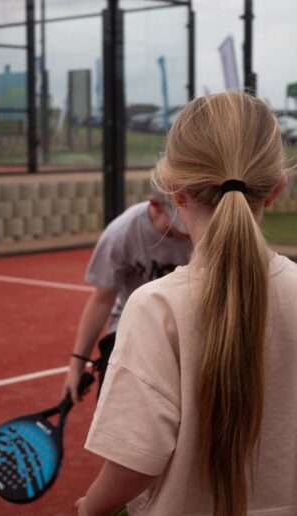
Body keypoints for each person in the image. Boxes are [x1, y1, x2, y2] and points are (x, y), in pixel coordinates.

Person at [76, 92, 297, 516]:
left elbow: (135, 461)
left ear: (175, 190)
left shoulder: (155, 307)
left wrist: (91, 507)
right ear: (275, 191)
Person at [63, 193, 192, 402]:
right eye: (175, 225)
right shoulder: (122, 232)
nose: (184, 233)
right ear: (155, 206)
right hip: (131, 325)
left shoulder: (203, 227)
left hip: (185, 327)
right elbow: (102, 299)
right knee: (115, 399)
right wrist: (77, 364)